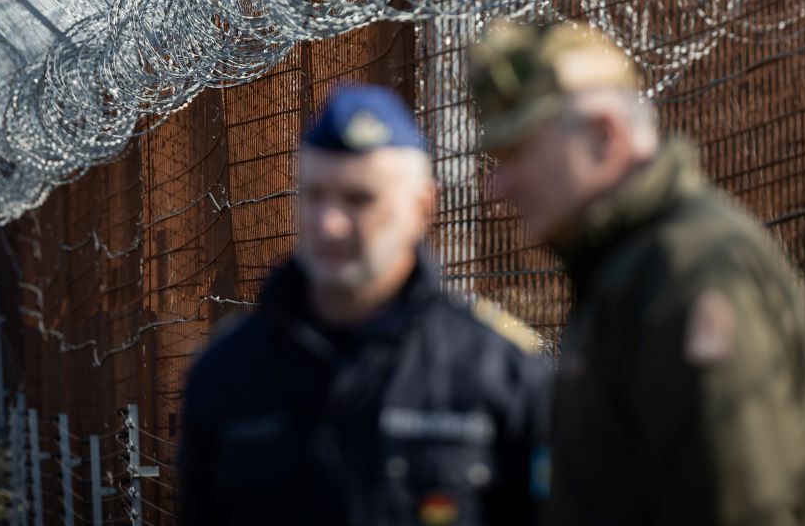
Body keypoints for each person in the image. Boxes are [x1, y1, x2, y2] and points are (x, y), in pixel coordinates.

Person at [470, 19, 805, 526]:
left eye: (518, 152)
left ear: (603, 136)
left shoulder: (690, 273)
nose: (499, 184)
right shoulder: (628, 269)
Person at [180, 83, 551, 526]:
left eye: (360, 199)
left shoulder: (493, 374)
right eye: (315, 196)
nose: (330, 224)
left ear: (421, 207)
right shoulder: (228, 375)